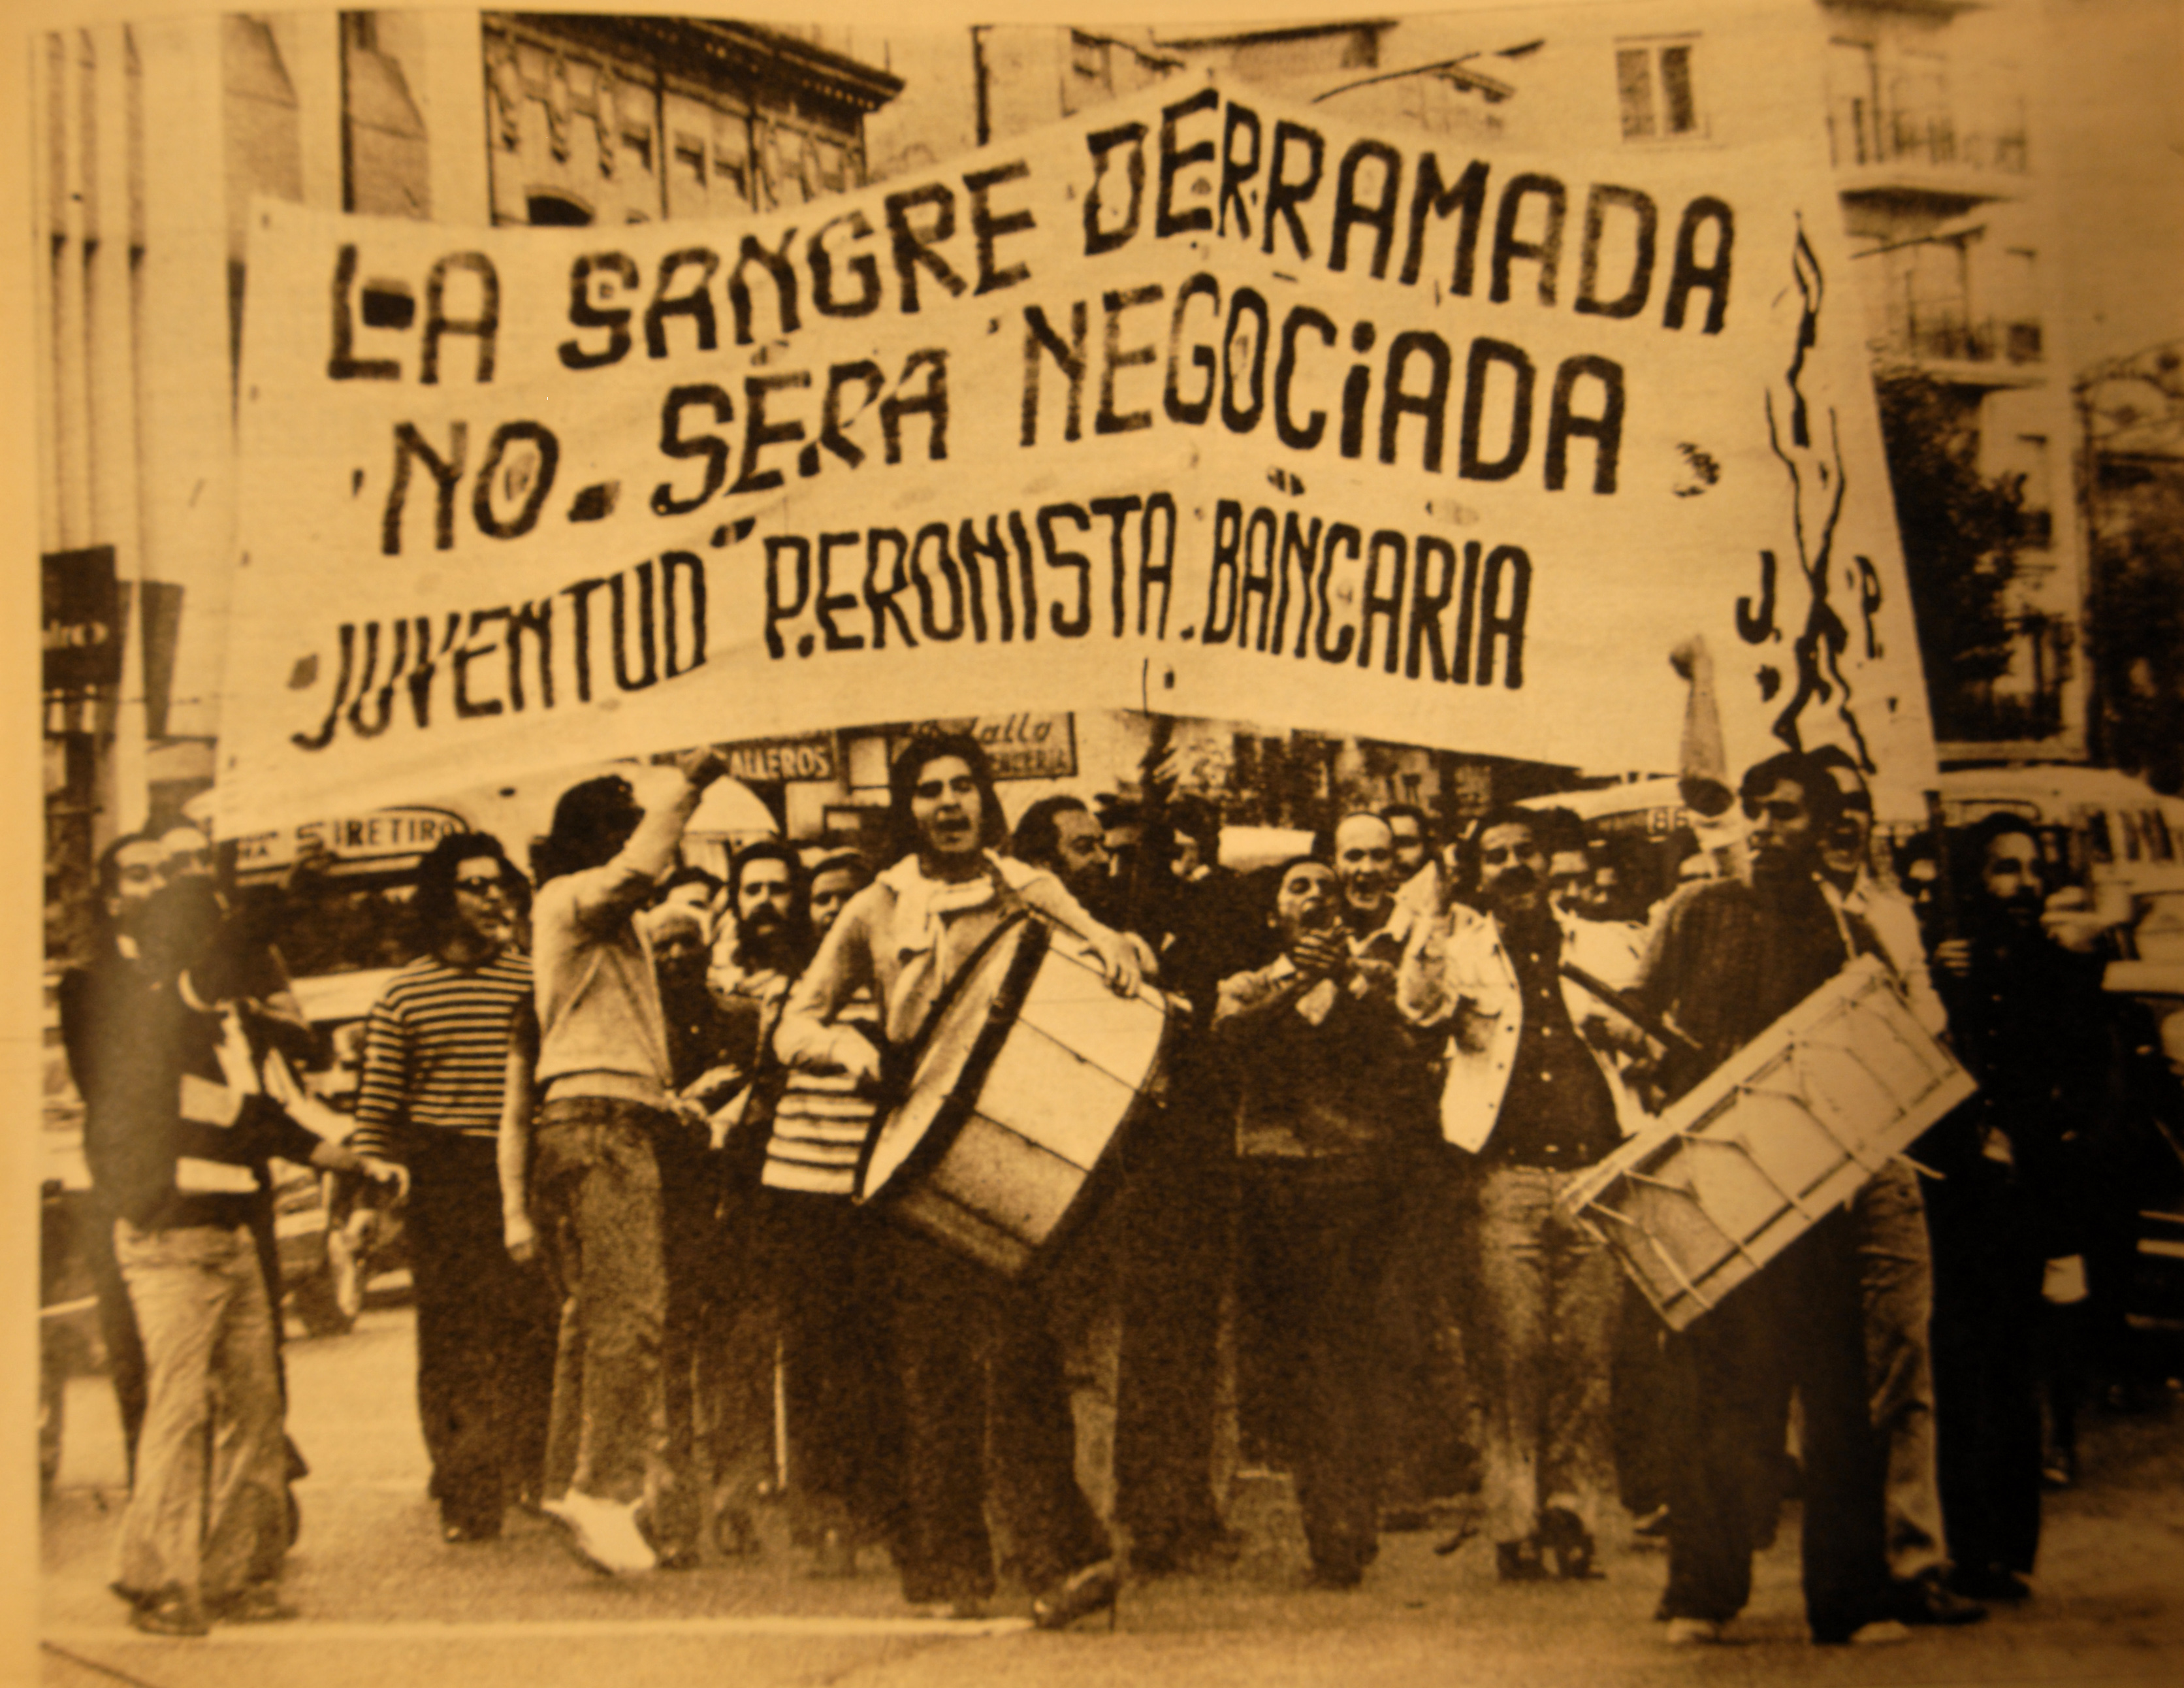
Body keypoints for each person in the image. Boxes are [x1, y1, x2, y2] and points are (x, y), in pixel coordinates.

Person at [774, 732, 1138, 1625]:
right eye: (930, 790)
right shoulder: (876, 906)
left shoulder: (1031, 889)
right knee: (930, 1380)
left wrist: (1120, 953)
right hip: (913, 1167)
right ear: (908, 809)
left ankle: (1061, 1563)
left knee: (1023, 1364)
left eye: (963, 786)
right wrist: (849, 1049)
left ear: (985, 797)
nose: (949, 804)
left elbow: (1109, 963)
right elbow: (794, 1024)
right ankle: (947, 1572)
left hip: (1011, 1159)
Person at [1626, 751, 1900, 1646]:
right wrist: (1638, 1045)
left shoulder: (1850, 933)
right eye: (1755, 810)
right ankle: (1701, 1595)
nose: (1765, 828)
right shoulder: (1696, 910)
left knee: (1836, 1401)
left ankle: (1848, 1601)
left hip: (1817, 1196)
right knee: (1715, 1396)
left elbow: (1882, 1051)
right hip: (1716, 1192)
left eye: (1785, 812)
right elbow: (1636, 1008)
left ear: (1824, 828)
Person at [89, 879, 384, 1635]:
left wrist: (352, 1158)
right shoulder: (155, 1017)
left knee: (255, 1411)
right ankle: (154, 1580)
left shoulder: (239, 1029)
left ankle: (231, 1575)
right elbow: (214, 973)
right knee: (181, 1409)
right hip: (172, 1242)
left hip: (230, 1236)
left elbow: (264, 1122)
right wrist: (274, 904)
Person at [1396, 807, 1646, 1583]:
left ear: (1548, 860)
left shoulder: (1604, 944)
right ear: (1477, 873)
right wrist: (1432, 916)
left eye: (1525, 852)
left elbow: (1650, 1034)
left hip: (1595, 1176)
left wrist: (1626, 1036)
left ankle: (1572, 1514)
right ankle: (1514, 1520)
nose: (1512, 865)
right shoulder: (1458, 950)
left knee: (1585, 1356)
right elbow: (1415, 1005)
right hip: (1503, 1180)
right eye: (1495, 855)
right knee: (1512, 1351)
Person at [504, 749, 731, 1576]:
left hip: (599, 1117)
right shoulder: (575, 899)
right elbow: (636, 871)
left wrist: (660, 1098)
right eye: (626, 830)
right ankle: (601, 1491)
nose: (643, 846)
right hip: (602, 1127)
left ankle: (567, 1480)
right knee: (631, 1318)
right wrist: (689, 786)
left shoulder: (588, 920)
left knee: (590, 1319)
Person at [1214, 843, 1438, 1588]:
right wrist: (1297, 980)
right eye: (1297, 886)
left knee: (1351, 1352)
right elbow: (1231, 1042)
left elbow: (1400, 1056)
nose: (1314, 896)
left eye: (1326, 887)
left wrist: (1343, 977)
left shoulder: (1371, 981)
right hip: (1275, 1186)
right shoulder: (1247, 985)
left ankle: (1350, 1518)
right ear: (1274, 912)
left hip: (1353, 1184)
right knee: (1297, 1360)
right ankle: (1329, 1519)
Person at [1808, 751, 1980, 1625]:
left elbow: (1927, 1027)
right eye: (1828, 804)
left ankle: (1914, 1556)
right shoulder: (1778, 908)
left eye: (1857, 805)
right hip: (1801, 1160)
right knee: (1825, 1374)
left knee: (1904, 1356)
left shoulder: (1891, 913)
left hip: (1884, 1149)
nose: (1845, 820)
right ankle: (1844, 1564)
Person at [1924, 813, 2112, 1602]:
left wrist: (2032, 1149)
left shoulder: (2056, 968)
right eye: (2004, 868)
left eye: (2031, 868)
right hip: (1954, 1195)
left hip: (2026, 1195)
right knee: (1957, 1372)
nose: (2022, 884)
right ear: (1973, 878)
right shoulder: (1942, 963)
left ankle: (2009, 1548)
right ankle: (1966, 1547)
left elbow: (2084, 1083)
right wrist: (1938, 981)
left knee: (2010, 1369)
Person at [350, 834, 557, 1547]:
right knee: (453, 1335)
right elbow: (378, 1108)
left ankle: (527, 1466)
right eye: (474, 885)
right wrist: (371, 1191)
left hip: (523, 1168)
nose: (491, 896)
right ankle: (467, 1485)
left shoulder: (532, 978)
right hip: (445, 1174)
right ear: (442, 897)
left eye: (498, 884)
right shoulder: (404, 993)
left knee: (531, 1326)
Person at [58, 832, 169, 1484]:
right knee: (139, 1357)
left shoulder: (197, 967)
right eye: (138, 875)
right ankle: (154, 1501)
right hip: (134, 1188)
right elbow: (107, 1088)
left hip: (213, 1189)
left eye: (164, 873)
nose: (156, 886)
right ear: (112, 898)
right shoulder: (90, 983)